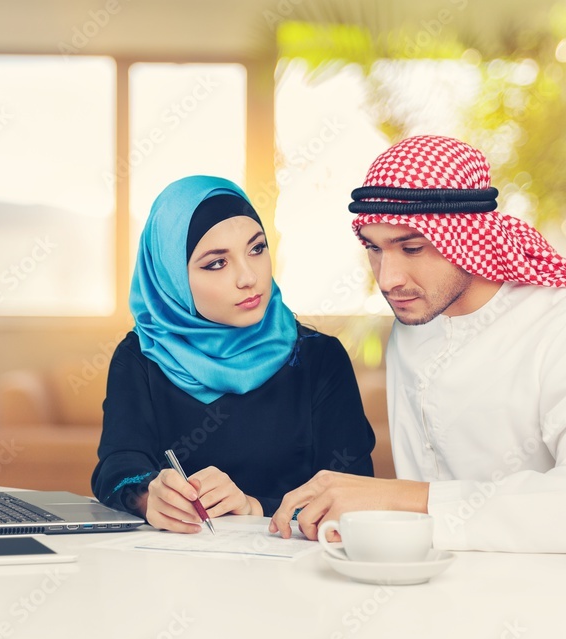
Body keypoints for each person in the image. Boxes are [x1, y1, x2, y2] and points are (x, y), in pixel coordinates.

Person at [269, 135, 566, 560]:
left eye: (412, 247)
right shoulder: (415, 322)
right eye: (374, 249)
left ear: (468, 236)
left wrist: (399, 498)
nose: (389, 278)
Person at [92, 175, 375, 533]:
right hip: (177, 562)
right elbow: (116, 467)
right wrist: (150, 496)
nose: (248, 277)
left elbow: (355, 494)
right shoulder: (142, 355)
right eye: (217, 263)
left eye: (256, 249)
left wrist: (255, 507)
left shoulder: (319, 358)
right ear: (172, 277)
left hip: (293, 561)